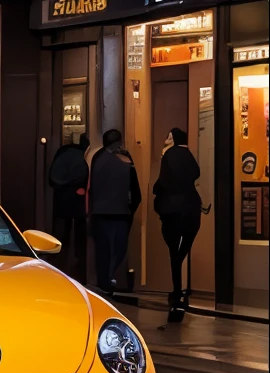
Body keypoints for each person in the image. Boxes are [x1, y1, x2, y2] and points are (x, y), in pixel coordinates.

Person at [153, 126, 203, 320]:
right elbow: (196, 174)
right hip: (191, 207)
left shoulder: (169, 155)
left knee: (173, 250)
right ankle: (178, 291)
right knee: (183, 249)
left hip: (172, 208)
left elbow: (162, 182)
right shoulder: (189, 155)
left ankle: (177, 293)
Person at [88, 127, 141, 297]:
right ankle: (109, 277)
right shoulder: (125, 157)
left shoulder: (96, 158)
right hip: (121, 212)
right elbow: (134, 187)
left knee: (103, 249)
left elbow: (92, 185)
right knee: (119, 248)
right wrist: (131, 208)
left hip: (99, 211)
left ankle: (104, 281)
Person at [47, 133, 90, 277]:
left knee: (60, 238)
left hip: (61, 201)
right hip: (78, 203)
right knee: (80, 239)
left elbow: (52, 179)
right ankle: (79, 271)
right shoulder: (82, 158)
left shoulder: (62, 153)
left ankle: (58, 268)